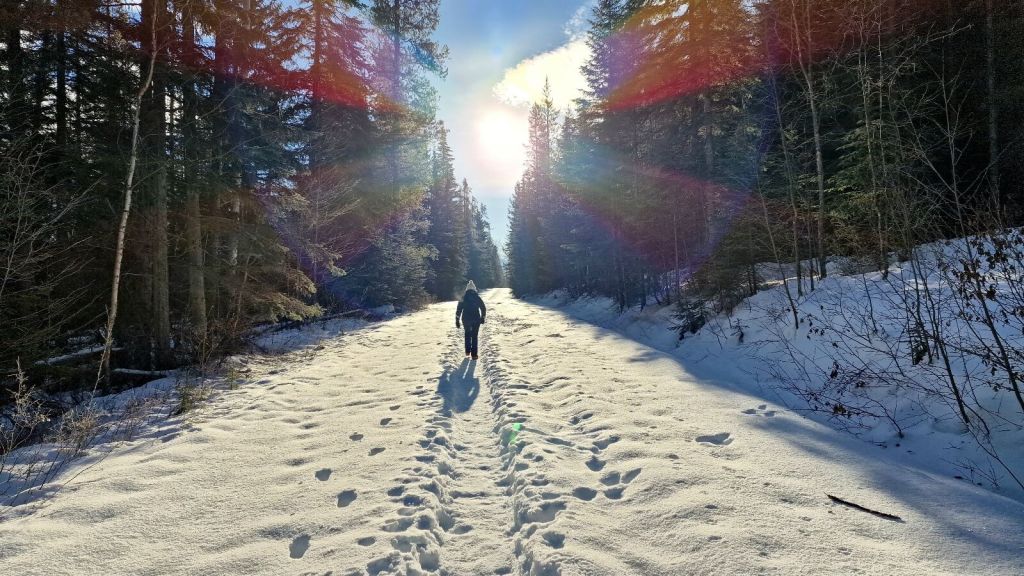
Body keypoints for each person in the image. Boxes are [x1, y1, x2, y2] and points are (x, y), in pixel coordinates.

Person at [455, 280, 486, 359]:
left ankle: (467, 351)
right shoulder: (477, 297)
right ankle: (474, 355)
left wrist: (457, 320)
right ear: (474, 289)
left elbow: (459, 309)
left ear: (467, 289)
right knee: (474, 336)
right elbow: (483, 308)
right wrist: (482, 317)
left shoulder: (463, 298)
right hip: (476, 319)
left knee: (467, 334)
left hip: (466, 319)